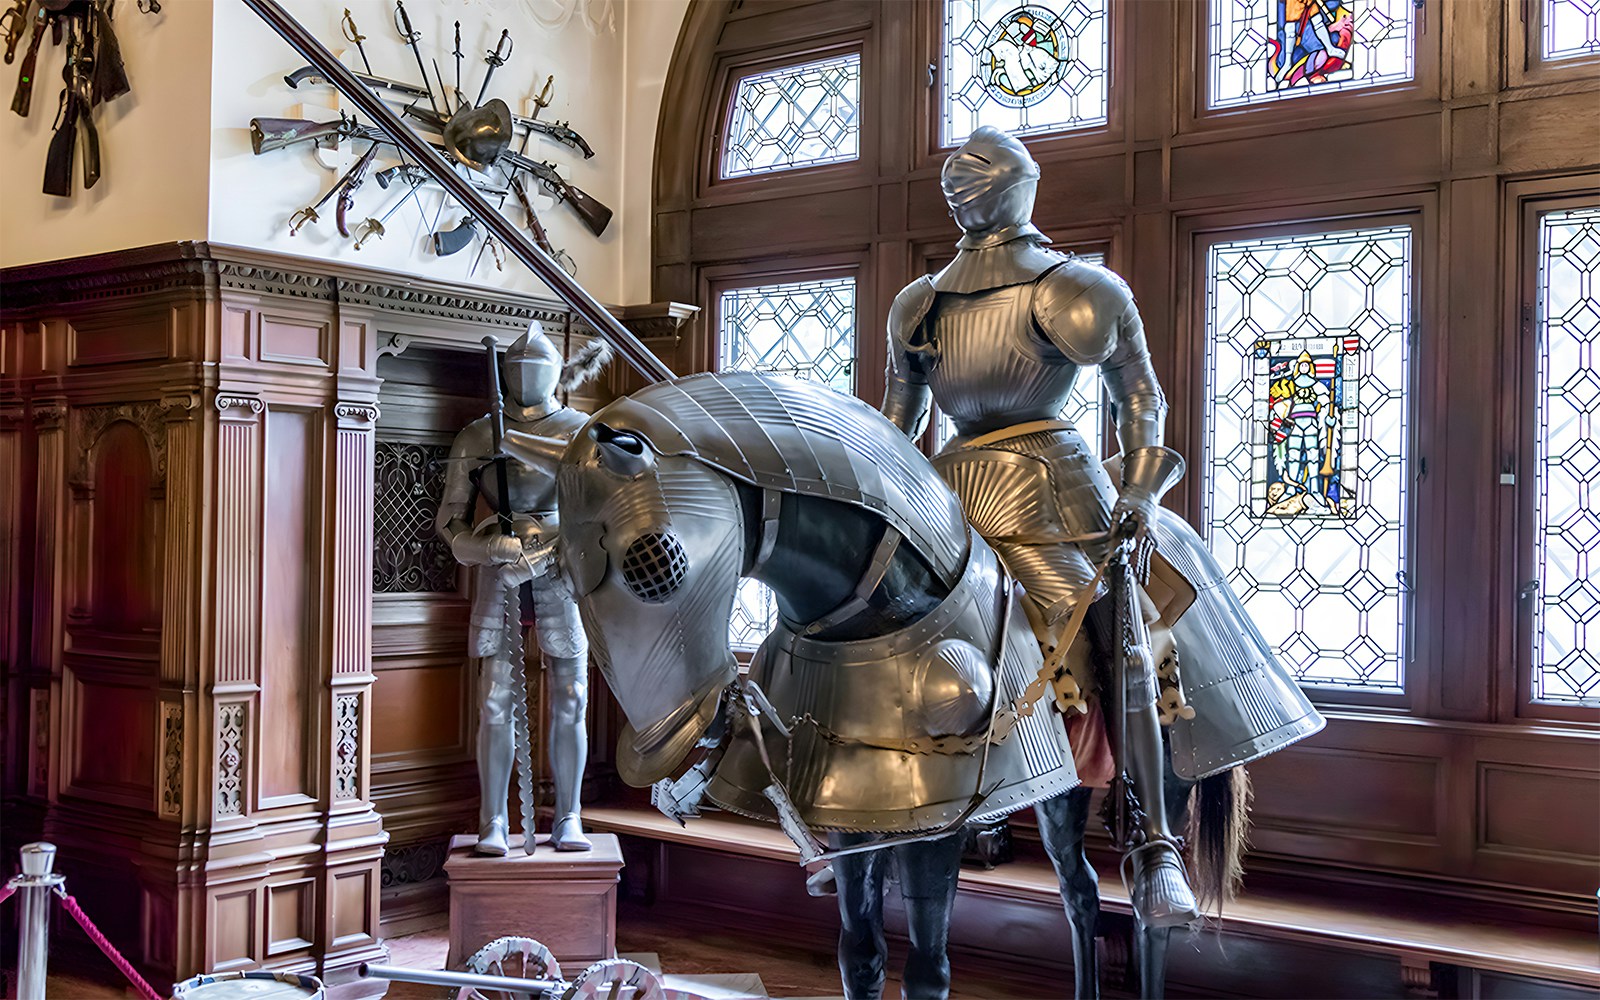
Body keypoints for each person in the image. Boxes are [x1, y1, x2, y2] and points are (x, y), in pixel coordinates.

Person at [879, 126, 1198, 927]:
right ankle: (868, 814)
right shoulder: (920, 304)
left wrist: (1138, 491)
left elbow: (1139, 397)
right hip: (949, 490)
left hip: (1053, 489)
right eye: (954, 186)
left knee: (1117, 632)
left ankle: (1154, 844)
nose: (964, 194)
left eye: (975, 183)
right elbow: (897, 425)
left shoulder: (1077, 288)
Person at [436, 322, 609, 855]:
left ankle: (570, 816)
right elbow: (450, 522)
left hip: (562, 567)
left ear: (556, 372)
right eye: (517, 369)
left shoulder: (581, 432)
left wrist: (556, 542)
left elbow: (604, 514)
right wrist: (489, 547)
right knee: (494, 701)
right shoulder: (477, 435)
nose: (526, 377)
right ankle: (492, 820)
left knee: (573, 697)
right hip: (501, 571)